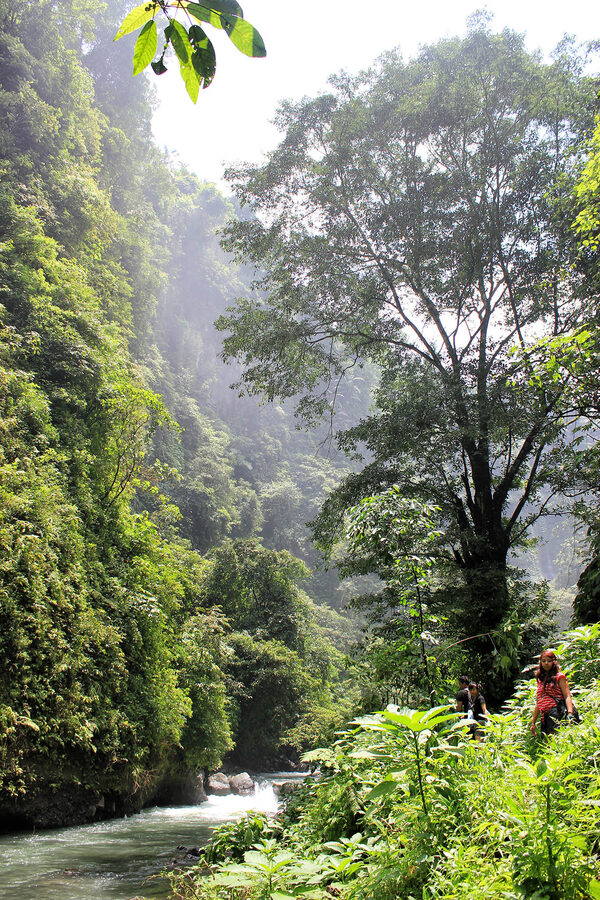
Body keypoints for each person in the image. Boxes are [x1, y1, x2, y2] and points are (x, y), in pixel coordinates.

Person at [530, 649, 576, 737]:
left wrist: (570, 714)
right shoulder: (541, 679)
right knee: (547, 744)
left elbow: (567, 696)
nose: (546, 663)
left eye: (549, 661)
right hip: (545, 716)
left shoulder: (559, 677)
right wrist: (533, 722)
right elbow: (539, 702)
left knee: (556, 740)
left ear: (553, 662)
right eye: (543, 661)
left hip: (556, 712)